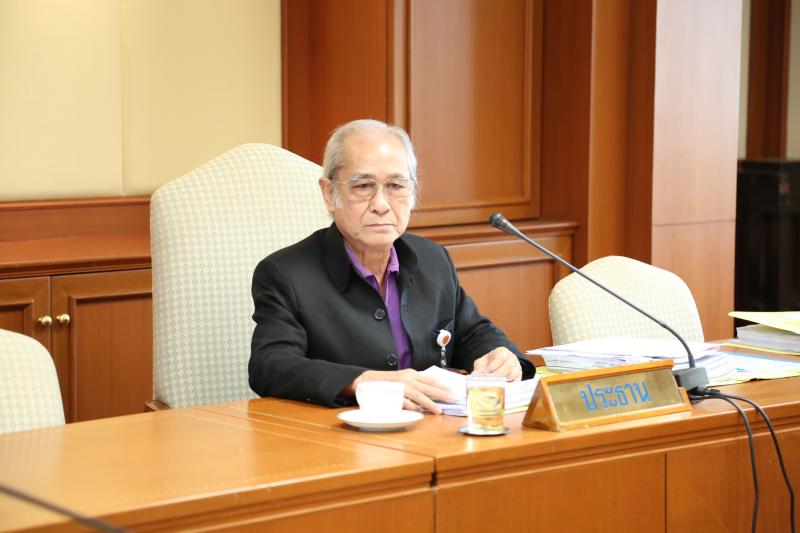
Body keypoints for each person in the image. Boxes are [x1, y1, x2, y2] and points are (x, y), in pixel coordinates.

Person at [249, 119, 535, 413]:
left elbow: (473, 333)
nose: (381, 204)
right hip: (342, 432)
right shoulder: (285, 274)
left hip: (434, 427)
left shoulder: (433, 259)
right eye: (363, 186)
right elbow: (270, 365)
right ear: (328, 193)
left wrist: (500, 356)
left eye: (396, 186)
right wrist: (362, 381)